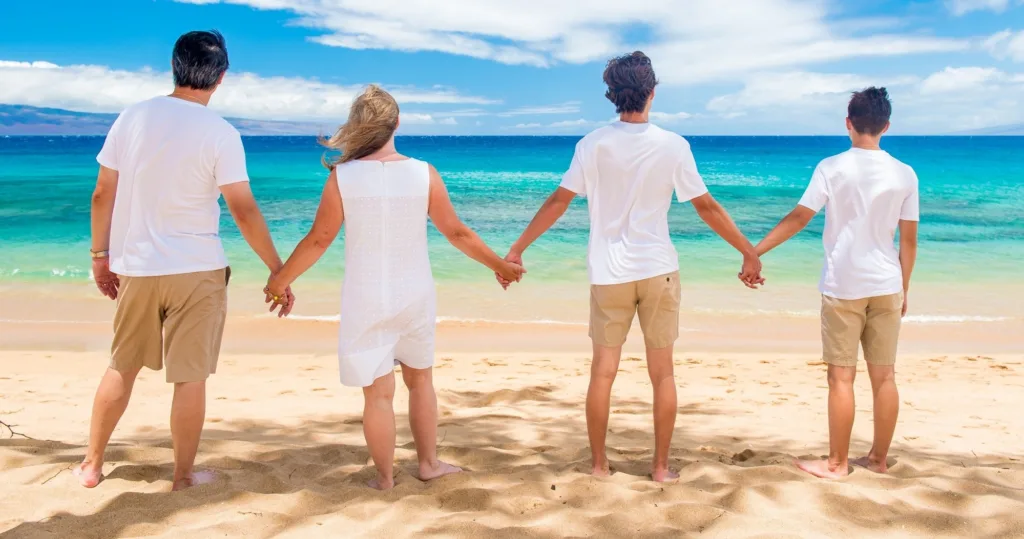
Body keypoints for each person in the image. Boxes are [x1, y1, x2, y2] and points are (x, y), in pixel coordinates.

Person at [498, 52, 763, 482]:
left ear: (612, 95)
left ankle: (600, 466)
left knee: (602, 372)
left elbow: (559, 201)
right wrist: (747, 251)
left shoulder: (593, 144)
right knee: (663, 374)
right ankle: (660, 468)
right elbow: (706, 207)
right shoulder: (674, 145)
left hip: (609, 274)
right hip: (658, 269)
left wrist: (517, 248)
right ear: (652, 93)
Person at [264, 85, 525, 491]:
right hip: (414, 293)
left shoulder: (342, 178)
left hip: (365, 297)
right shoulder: (424, 172)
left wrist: (280, 280)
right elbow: (457, 233)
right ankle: (428, 464)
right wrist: (501, 266)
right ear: (397, 123)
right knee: (421, 382)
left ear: (357, 127)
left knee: (378, 396)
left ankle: (385, 479)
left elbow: (318, 240)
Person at [77, 30, 291, 492]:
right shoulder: (222, 133)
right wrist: (278, 268)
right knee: (190, 378)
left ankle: (92, 465)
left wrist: (100, 255)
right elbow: (244, 209)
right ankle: (182, 476)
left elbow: (101, 194)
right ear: (221, 77)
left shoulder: (132, 118)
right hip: (198, 269)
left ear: (175, 66)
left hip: (136, 267)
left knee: (122, 365)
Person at [755, 87, 919, 479]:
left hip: (843, 285)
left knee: (841, 376)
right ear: (886, 126)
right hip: (886, 284)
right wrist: (904, 288)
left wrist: (756, 250)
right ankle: (878, 460)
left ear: (848, 123)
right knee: (885, 376)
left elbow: (799, 217)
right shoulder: (905, 173)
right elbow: (909, 240)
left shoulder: (832, 167)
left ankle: (837, 463)